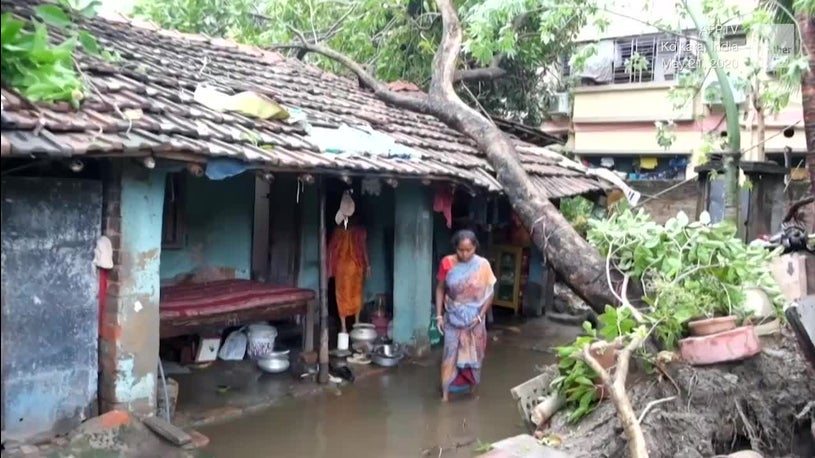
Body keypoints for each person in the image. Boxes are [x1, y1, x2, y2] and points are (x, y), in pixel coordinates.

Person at [435, 229, 496, 402]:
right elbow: (440, 288)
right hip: (453, 317)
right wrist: (439, 315)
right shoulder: (447, 263)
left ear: (475, 247)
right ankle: (445, 395)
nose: (465, 254)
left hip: (475, 319)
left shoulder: (483, 265)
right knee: (449, 354)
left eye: (469, 250)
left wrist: (480, 316)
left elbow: (490, 293)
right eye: (461, 250)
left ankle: (472, 391)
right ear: (455, 248)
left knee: (476, 355)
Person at [328, 214, 370, 333]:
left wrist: (330, 269)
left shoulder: (338, 231)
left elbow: (332, 251)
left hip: (342, 268)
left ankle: (344, 327)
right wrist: (368, 266)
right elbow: (364, 249)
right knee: (356, 294)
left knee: (342, 296)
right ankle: (356, 323)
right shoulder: (359, 231)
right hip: (356, 267)